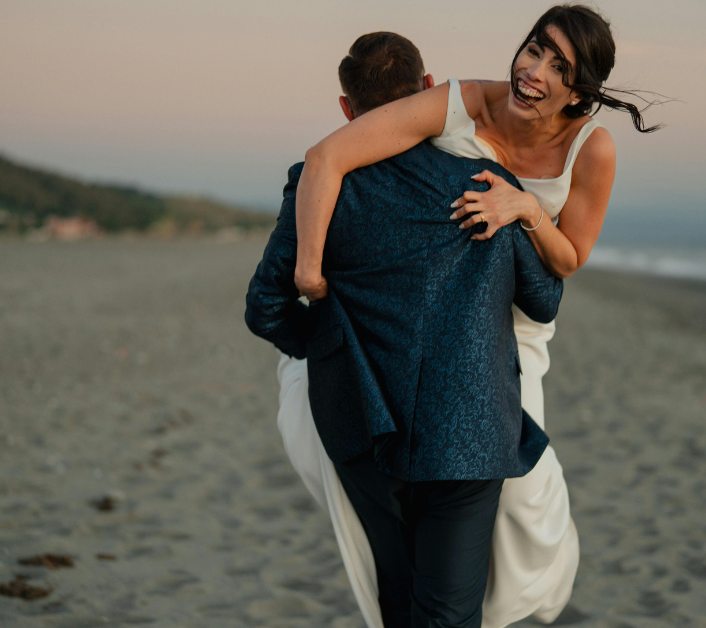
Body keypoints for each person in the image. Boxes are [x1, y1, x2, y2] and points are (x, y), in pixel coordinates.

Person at [288, 5, 661, 626]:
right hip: (419, 314)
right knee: (400, 485)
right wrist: (307, 268)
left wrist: (524, 207)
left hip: (509, 331)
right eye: (534, 48)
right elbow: (327, 160)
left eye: (558, 66)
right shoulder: (456, 102)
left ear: (581, 89)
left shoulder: (591, 150)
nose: (533, 70)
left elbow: (568, 260)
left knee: (524, 505)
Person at [245, 30, 564, 628]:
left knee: (397, 597)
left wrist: (330, 346)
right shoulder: (486, 184)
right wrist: (527, 212)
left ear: (346, 110)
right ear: (424, 90)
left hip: (362, 425)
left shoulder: (318, 185)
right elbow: (544, 302)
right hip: (470, 426)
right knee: (447, 612)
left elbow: (265, 306)